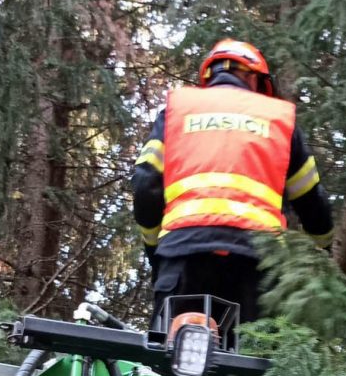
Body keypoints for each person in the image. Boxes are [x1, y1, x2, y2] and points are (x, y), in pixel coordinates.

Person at [132, 39, 334, 326]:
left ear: (210, 75)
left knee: (174, 361)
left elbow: (146, 185)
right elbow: (312, 203)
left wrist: (156, 249)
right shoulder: (278, 120)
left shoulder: (178, 112)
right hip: (257, 267)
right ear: (253, 77)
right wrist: (322, 255)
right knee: (251, 364)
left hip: (184, 258)